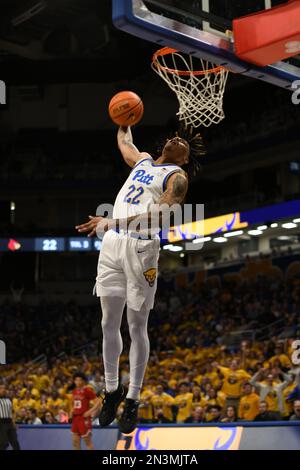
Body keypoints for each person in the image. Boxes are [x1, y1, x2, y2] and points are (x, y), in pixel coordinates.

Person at [76, 126, 193, 434]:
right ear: (164, 145)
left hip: (141, 248)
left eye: (185, 145)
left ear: (184, 158)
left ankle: (133, 397)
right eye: (174, 136)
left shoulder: (176, 178)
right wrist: (123, 122)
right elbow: (125, 143)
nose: (178, 139)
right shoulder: (143, 161)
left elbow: (157, 217)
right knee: (107, 323)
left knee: (136, 326)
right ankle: (112, 389)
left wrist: (110, 221)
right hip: (113, 244)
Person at [71, 372, 101, 450]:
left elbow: (98, 402)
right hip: (75, 418)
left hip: (84, 419)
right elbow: (75, 403)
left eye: (79, 380)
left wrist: (90, 412)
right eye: (76, 380)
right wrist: (72, 410)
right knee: (75, 442)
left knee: (88, 442)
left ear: (83, 381)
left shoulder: (87, 390)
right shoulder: (74, 391)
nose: (78, 382)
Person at [0, 383, 21, 450]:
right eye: (1, 388)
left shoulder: (9, 400)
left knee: (15, 443)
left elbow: (10, 413)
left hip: (9, 423)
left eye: (4, 388)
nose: (3, 390)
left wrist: (13, 423)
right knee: (4, 444)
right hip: (1, 423)